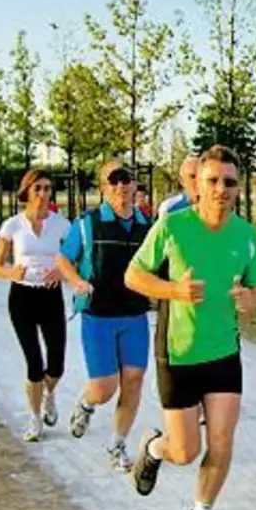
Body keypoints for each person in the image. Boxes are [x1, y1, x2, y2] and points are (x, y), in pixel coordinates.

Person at [125, 145, 256, 510]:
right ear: (197, 185)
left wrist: (249, 299)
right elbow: (133, 275)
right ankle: (154, 447)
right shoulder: (173, 226)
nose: (221, 189)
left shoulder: (246, 234)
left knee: (222, 442)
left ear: (238, 189)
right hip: (179, 353)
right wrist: (174, 291)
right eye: (213, 181)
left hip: (223, 353)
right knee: (185, 451)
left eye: (229, 182)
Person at [55, 161, 153, 472]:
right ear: (103, 187)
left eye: (127, 180)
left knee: (134, 380)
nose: (122, 186)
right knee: (105, 387)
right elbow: (63, 259)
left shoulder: (147, 227)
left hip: (135, 314)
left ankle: (117, 444)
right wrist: (77, 281)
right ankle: (86, 404)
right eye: (114, 180)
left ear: (135, 186)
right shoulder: (87, 224)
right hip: (99, 315)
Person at [0, 169, 72, 442]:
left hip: (51, 296)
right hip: (22, 297)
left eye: (48, 188)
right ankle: (35, 418)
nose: (43, 193)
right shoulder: (12, 225)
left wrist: (62, 273)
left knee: (57, 364)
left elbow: (76, 261)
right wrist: (10, 272)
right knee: (34, 365)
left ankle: (49, 395)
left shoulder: (62, 225)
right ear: (27, 191)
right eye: (37, 188)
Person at [156, 152, 201, 219]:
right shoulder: (170, 208)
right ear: (181, 181)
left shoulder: (216, 207)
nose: (198, 180)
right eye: (193, 176)